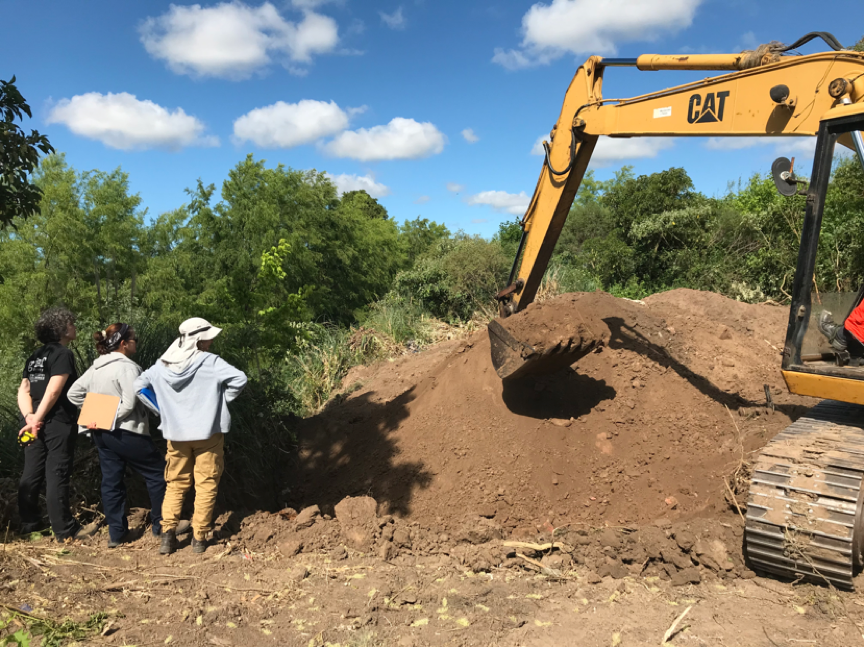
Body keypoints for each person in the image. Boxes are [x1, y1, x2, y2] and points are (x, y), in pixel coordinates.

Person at [134, 318, 247, 555]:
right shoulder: (211, 362)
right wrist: (219, 403)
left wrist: (162, 409)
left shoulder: (161, 365)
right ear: (199, 340)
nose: (211, 342)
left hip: (176, 434)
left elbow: (139, 386)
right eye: (208, 338)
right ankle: (199, 538)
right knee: (206, 484)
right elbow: (240, 379)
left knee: (175, 484)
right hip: (208, 433)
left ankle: (167, 536)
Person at [67, 323, 167, 548]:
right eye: (134, 340)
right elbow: (131, 403)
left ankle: (117, 534)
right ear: (123, 343)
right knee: (158, 473)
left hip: (101, 433)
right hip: (127, 431)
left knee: (111, 481)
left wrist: (96, 412)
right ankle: (163, 526)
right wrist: (111, 415)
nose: (136, 343)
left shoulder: (96, 367)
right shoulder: (127, 367)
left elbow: (73, 394)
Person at [17, 307, 95, 541]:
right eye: (71, 323)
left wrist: (29, 417)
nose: (74, 327)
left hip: (31, 422)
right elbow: (54, 390)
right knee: (56, 472)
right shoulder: (62, 354)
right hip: (55, 421)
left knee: (31, 472)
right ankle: (65, 529)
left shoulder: (34, 356)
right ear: (61, 328)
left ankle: (31, 524)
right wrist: (38, 419)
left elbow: (24, 390)